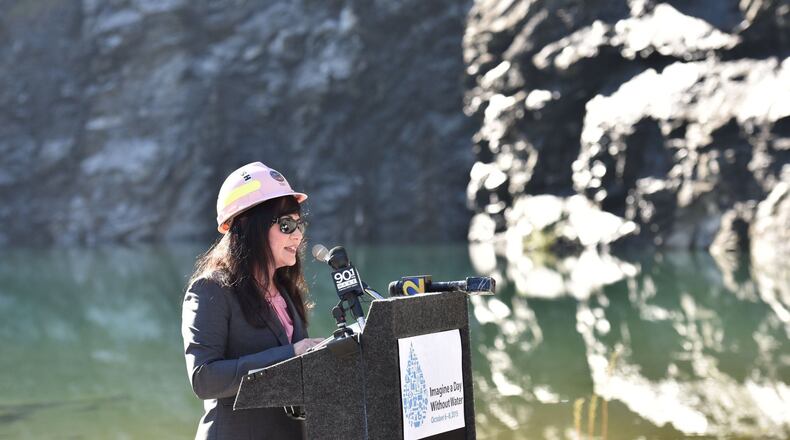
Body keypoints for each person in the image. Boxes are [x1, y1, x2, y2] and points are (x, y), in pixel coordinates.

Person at [181, 161, 324, 440]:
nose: (298, 233)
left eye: (299, 223)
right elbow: (204, 379)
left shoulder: (285, 289)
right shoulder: (210, 290)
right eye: (286, 224)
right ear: (249, 227)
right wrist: (292, 353)